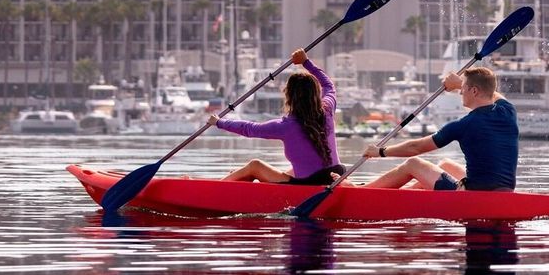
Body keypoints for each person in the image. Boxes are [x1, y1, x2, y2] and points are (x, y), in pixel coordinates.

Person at [361, 66, 518, 191]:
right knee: (445, 165)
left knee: (413, 164)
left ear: (474, 91)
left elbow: (415, 148)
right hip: (505, 189)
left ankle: (364, 191)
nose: (461, 92)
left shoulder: (464, 124)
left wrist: (380, 152)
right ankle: (411, 195)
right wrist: (458, 83)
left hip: (473, 194)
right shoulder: (508, 110)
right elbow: (493, 94)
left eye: (463, 88)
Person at [205, 49, 343, 184]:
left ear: (289, 96)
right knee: (291, 171)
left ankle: (211, 190)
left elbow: (249, 128)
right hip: (337, 176)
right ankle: (236, 182)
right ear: (315, 93)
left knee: (255, 166)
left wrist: (218, 122)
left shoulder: (286, 126)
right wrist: (306, 62)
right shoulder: (328, 109)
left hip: (311, 184)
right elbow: (328, 85)